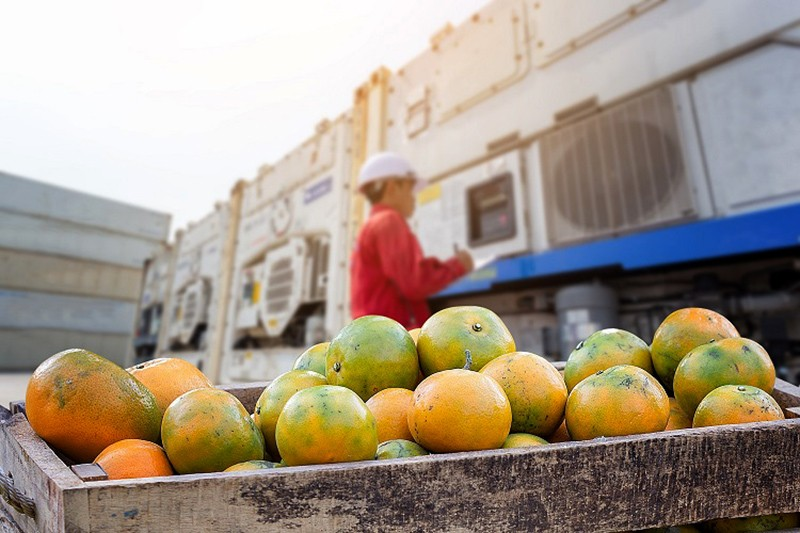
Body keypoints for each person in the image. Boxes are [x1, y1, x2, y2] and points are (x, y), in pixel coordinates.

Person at [350, 152, 474, 329]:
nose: (413, 198)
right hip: (395, 337)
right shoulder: (389, 221)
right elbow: (414, 282)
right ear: (392, 187)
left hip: (375, 335)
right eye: (409, 189)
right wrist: (458, 266)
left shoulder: (370, 226)